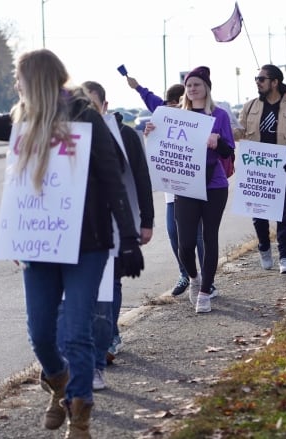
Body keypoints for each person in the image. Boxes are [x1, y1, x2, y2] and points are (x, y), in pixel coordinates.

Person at [0, 47, 144, 437]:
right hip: (41, 244)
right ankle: (59, 381)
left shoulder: (86, 118)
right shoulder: (23, 121)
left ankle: (80, 414)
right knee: (40, 333)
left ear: (34, 79)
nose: (15, 85)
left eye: (19, 79)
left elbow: (111, 175)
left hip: (88, 244)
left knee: (76, 331)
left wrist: (130, 240)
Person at [75, 81, 154, 388]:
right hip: (81, 230)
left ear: (105, 107)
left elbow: (141, 178)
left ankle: (104, 343)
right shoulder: (67, 137)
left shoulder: (125, 137)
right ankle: (97, 341)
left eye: (93, 107)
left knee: (110, 287)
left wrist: (145, 221)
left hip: (117, 226)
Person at [145, 66, 234, 313]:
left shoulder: (219, 115)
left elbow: (229, 151)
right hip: (186, 184)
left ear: (207, 87)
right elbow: (161, 144)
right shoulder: (175, 115)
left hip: (214, 184)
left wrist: (218, 142)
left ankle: (205, 290)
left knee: (209, 237)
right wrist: (151, 133)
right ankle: (193, 278)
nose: (193, 88)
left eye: (197, 84)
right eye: (189, 85)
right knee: (184, 243)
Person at [126, 75, 213, 297]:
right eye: (168, 104)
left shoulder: (197, 118)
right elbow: (149, 98)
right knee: (175, 235)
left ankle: (206, 280)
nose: (172, 108)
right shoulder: (162, 118)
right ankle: (185, 274)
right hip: (172, 192)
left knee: (200, 236)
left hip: (195, 188)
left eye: (176, 103)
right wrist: (150, 133)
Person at [234, 64, 286, 268]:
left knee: (282, 212)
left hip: (283, 168)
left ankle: (285, 255)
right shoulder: (250, 107)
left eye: (262, 79)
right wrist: (219, 127)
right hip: (257, 168)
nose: (258, 83)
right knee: (258, 214)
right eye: (257, 79)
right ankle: (264, 246)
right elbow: (239, 132)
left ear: (275, 82)